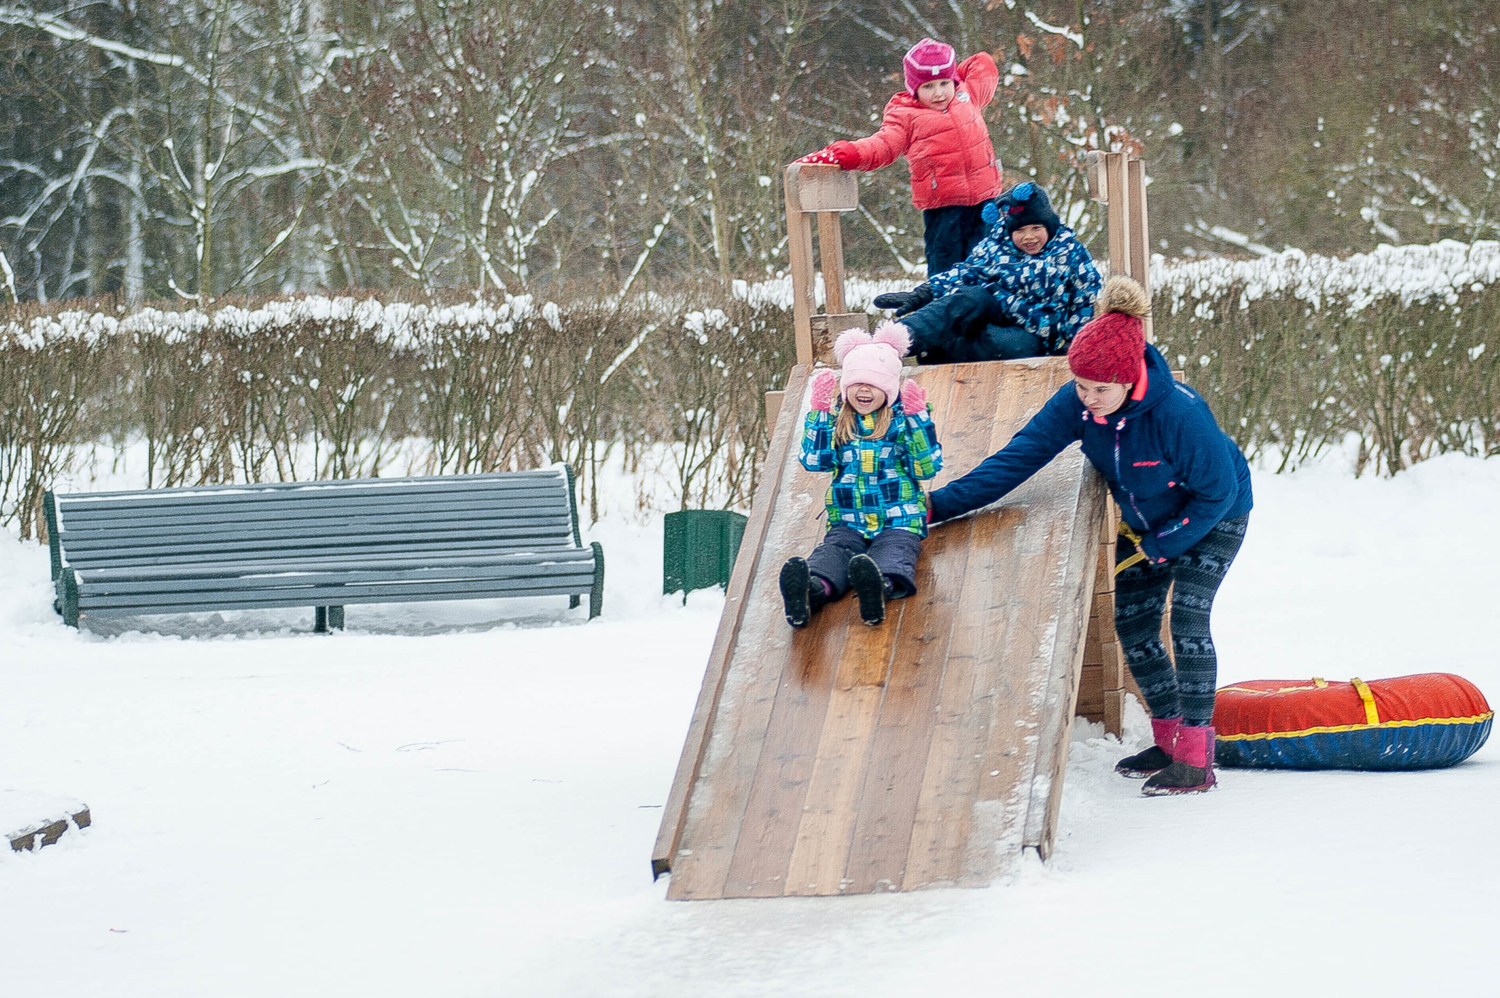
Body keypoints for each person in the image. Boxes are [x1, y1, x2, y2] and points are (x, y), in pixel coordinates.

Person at [924, 276, 1252, 795]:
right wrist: (936, 506)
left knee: (1188, 619)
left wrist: (1164, 546)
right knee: (1134, 626)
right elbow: (1017, 459)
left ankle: (1196, 758)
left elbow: (1218, 492)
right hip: (1144, 522)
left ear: (1129, 380)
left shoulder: (1179, 414)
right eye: (1081, 386)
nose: (1089, 398)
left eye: (1100, 389)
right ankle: (1167, 741)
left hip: (1213, 516)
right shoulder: (1077, 403)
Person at [780, 322, 943, 628]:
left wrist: (918, 420)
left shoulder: (900, 423)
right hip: (848, 521)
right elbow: (815, 461)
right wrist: (819, 413)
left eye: (874, 383)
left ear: (889, 388)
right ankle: (809, 592)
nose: (864, 390)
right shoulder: (839, 423)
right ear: (846, 386)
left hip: (899, 519)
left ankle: (876, 588)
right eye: (857, 383)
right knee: (832, 554)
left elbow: (927, 467)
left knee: (895, 552)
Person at [796, 38, 1003, 276]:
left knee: (989, 267)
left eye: (944, 83)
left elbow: (984, 65)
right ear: (914, 88)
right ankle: (945, 309)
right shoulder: (905, 115)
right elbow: (882, 145)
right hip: (945, 210)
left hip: (986, 201)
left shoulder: (967, 94)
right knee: (948, 271)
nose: (938, 94)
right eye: (928, 87)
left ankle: (991, 311)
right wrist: (845, 154)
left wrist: (952, 72)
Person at [872, 182, 1103, 364]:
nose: (1029, 237)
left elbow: (1084, 297)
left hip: (1039, 330)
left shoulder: (1069, 251)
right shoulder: (996, 246)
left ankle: (942, 350)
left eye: (1036, 228)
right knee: (968, 297)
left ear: (1049, 227)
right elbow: (965, 273)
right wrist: (924, 292)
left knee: (1007, 345)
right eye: (1020, 230)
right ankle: (893, 343)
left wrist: (1074, 340)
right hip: (996, 309)